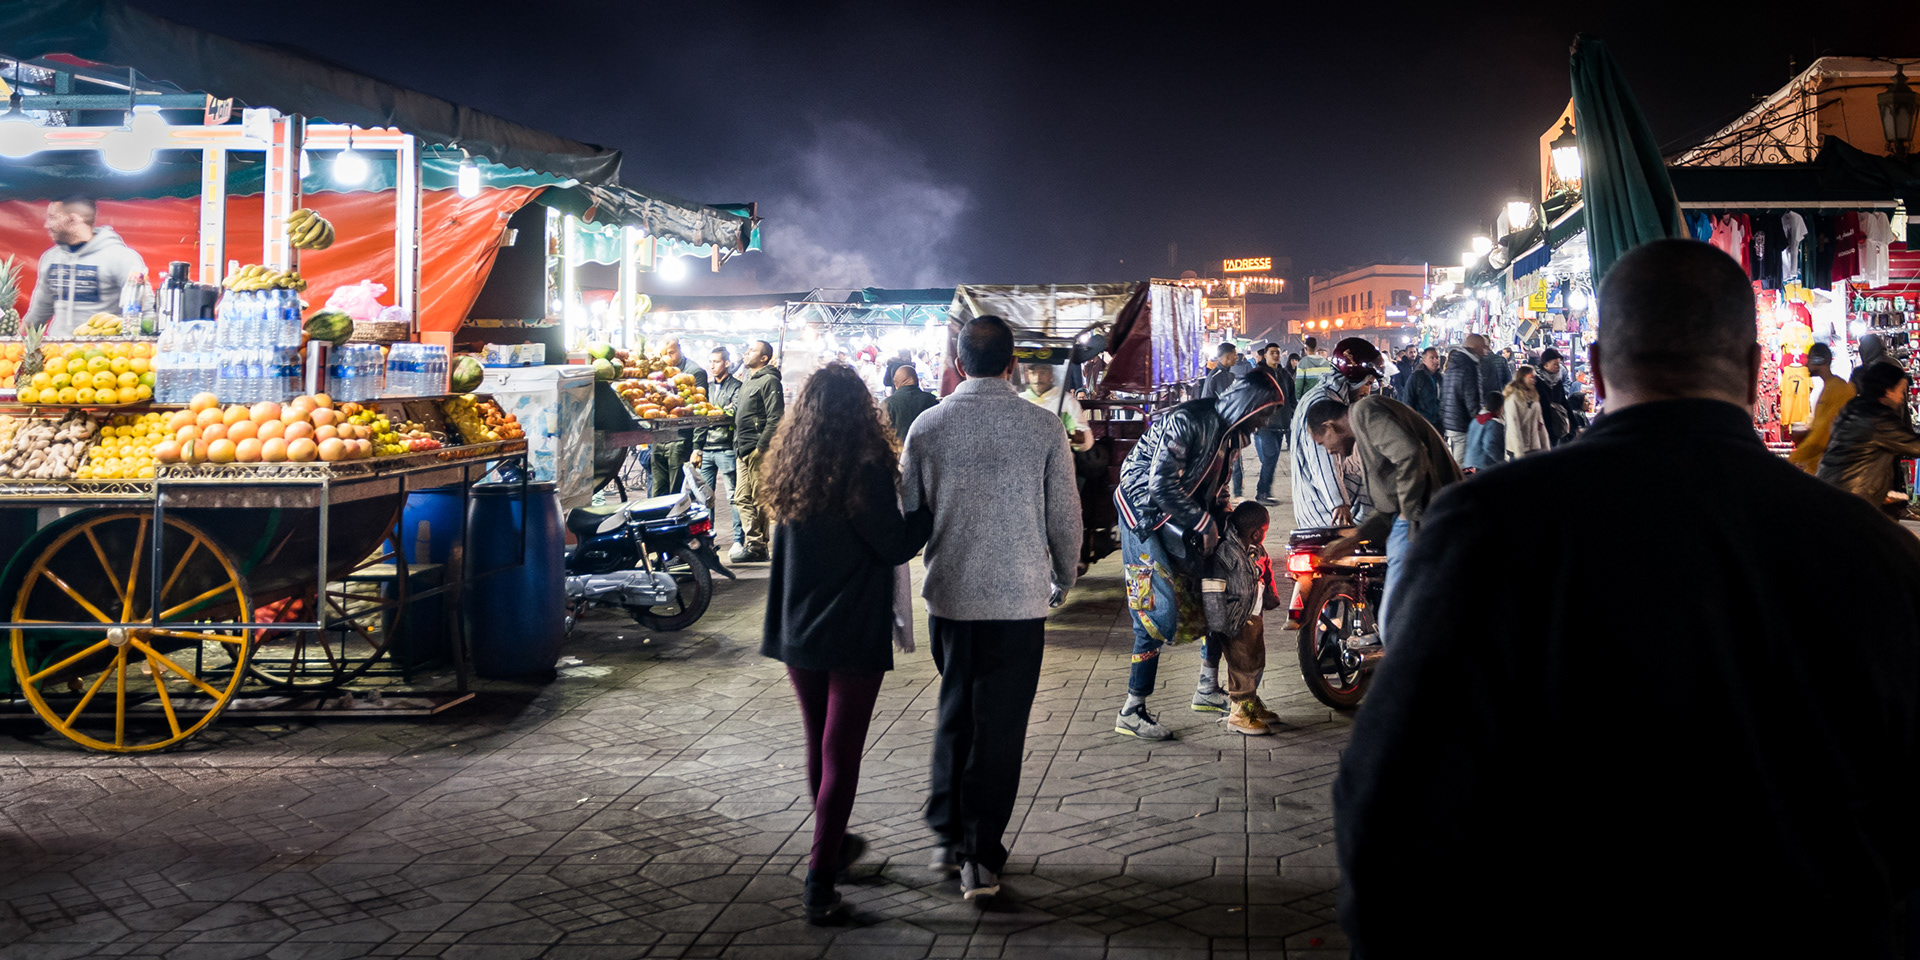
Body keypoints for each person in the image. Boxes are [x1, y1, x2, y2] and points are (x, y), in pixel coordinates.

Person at [1335, 238, 1920, 957]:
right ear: (1752, 370)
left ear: (1594, 370)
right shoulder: (1875, 555)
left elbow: (1389, 813)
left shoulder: (1490, 530)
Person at [899, 315, 1080, 903]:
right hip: (1018, 601)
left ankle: (947, 833)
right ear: (1012, 366)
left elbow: (909, 513)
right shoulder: (1042, 426)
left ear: (958, 361)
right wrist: (1064, 573)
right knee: (999, 727)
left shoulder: (928, 425)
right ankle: (979, 854)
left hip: (950, 598)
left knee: (956, 708)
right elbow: (1065, 520)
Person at [759, 362, 933, 925]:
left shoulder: (792, 466)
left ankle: (832, 851)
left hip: (796, 628)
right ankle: (819, 878)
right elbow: (891, 545)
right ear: (862, 409)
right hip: (849, 626)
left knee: (820, 746)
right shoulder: (865, 468)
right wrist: (928, 512)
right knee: (842, 756)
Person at [1113, 367, 1283, 739]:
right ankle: (1132, 708)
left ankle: (1207, 689)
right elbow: (1160, 486)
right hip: (1145, 519)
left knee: (1214, 594)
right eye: (1263, 414)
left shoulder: (1232, 437)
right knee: (1154, 611)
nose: (1263, 424)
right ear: (1248, 406)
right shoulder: (1188, 421)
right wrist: (1204, 521)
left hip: (1187, 518)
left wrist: (1221, 516)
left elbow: (1217, 486)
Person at [1304, 392, 1461, 638]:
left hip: (1425, 513)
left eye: (1323, 443)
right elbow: (1388, 504)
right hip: (1422, 514)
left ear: (1330, 427)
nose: (1330, 451)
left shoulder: (1365, 413)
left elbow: (1410, 454)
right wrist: (1352, 541)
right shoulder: (1364, 426)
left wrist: (1409, 516)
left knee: (1394, 618)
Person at [25, 197, 148, 340]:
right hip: (55, 351)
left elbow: (145, 309)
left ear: (73, 220)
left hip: (104, 353)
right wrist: (12, 342)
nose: (47, 225)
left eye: (52, 218)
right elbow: (40, 310)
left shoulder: (122, 257)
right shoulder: (51, 257)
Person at [1289, 338, 1381, 529]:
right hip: (1330, 515)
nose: (1369, 390)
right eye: (1368, 382)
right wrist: (1338, 502)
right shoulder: (1323, 403)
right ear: (1355, 379)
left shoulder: (1333, 397)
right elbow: (1322, 459)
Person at [1212, 500, 1283, 735]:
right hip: (1235, 619)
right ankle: (1240, 712)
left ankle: (1251, 703)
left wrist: (1272, 594)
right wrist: (1216, 619)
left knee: (1255, 659)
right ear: (1255, 533)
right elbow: (1213, 585)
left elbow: (1266, 570)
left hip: (1253, 615)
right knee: (1242, 664)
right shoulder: (1227, 552)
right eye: (1264, 531)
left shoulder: (1255, 549)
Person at [1817, 359, 1920, 519]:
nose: (1901, 398)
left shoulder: (1854, 408)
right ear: (1888, 391)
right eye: (1901, 391)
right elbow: (1915, 446)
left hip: (1832, 492)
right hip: (1853, 502)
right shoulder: (1878, 419)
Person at [730, 340, 783, 562]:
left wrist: (761, 447)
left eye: (752, 350)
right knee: (741, 497)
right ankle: (755, 542)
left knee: (758, 496)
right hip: (742, 448)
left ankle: (758, 546)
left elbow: (775, 417)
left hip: (756, 449)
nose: (746, 353)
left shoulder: (769, 381)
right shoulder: (747, 380)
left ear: (764, 358)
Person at [691, 346, 744, 547]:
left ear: (727, 363)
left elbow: (732, 412)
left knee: (734, 497)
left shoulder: (736, 387)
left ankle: (738, 540)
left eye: (716, 362)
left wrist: (714, 413)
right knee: (704, 497)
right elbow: (700, 419)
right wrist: (697, 447)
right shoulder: (708, 389)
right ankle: (707, 540)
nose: (712, 366)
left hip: (727, 448)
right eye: (710, 361)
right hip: (707, 449)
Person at [647, 337, 708, 498]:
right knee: (657, 493)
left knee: (676, 494)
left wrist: (697, 447)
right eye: (664, 354)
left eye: (672, 352)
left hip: (680, 440)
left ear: (680, 349)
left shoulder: (694, 372)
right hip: (659, 439)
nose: (668, 357)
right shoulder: (659, 374)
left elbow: (700, 410)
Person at [1787, 342, 1853, 474]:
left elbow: (1823, 433)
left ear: (1819, 360)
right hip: (1823, 466)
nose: (1806, 364)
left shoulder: (1838, 389)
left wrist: (1792, 459)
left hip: (1832, 469)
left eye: (1809, 359)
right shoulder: (1830, 387)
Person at [1018, 363, 1092, 452]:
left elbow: (1085, 438)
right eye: (1033, 373)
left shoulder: (1066, 401)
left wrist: (1079, 438)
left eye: (1042, 372)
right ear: (1028, 375)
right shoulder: (1019, 400)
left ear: (1051, 375)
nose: (1037, 378)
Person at [1439, 334, 1486, 462]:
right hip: (1461, 422)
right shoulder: (1468, 366)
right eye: (1484, 347)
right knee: (1462, 463)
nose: (1485, 351)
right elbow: (1471, 398)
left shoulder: (1454, 364)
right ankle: (1461, 481)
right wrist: (1479, 420)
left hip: (1452, 420)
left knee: (1460, 458)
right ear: (1476, 347)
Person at [1252, 343, 1288, 504]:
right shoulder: (1259, 374)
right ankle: (1262, 493)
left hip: (1281, 423)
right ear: (1265, 355)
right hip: (1264, 424)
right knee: (1270, 456)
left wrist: (1290, 413)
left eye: (1278, 353)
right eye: (1272, 352)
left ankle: (1265, 491)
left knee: (1271, 459)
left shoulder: (1284, 374)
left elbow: (1291, 397)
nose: (1275, 355)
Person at [1501, 364, 1549, 459]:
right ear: (1522, 377)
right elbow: (1513, 427)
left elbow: (1540, 424)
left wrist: (1546, 448)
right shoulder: (1513, 398)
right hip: (1517, 450)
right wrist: (1519, 454)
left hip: (1534, 447)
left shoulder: (1534, 397)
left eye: (1535, 377)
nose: (1534, 380)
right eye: (1531, 377)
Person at [884, 364, 938, 442]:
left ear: (895, 382)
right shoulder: (931, 400)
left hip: (899, 450)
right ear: (916, 380)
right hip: (927, 449)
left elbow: (882, 431)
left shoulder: (888, 403)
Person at [1534, 348, 1575, 446]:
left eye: (1559, 364)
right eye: (1555, 364)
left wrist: (1575, 424)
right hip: (1540, 426)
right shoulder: (1535, 381)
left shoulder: (1557, 382)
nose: (1558, 367)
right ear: (1546, 364)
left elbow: (1564, 402)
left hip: (1556, 425)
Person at [1462, 389, 1506, 471]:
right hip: (1482, 466)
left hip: (1468, 463)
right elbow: (1489, 446)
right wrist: (1502, 460)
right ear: (1501, 407)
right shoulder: (1493, 424)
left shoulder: (1475, 420)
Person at [1405, 347, 1443, 429]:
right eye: (1432, 358)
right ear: (1424, 360)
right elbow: (1408, 400)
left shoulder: (1441, 377)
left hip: (1439, 423)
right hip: (1422, 422)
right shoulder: (1416, 377)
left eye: (1437, 357)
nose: (1435, 360)